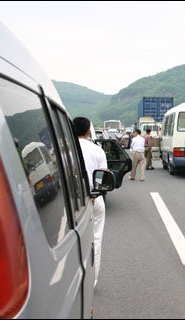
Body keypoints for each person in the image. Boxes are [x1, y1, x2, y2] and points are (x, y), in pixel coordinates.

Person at [73, 117, 107, 289]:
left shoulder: (66, 150)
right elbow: (103, 176)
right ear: (88, 131)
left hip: (71, 201)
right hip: (94, 198)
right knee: (96, 239)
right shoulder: (97, 150)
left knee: (71, 241)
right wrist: (94, 193)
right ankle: (91, 282)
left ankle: (71, 281)